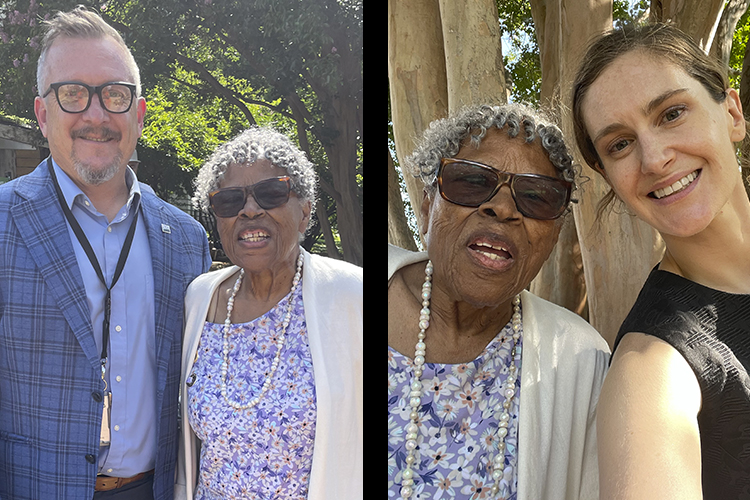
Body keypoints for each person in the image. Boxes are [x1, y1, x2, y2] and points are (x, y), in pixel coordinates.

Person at [0, 7, 211, 500]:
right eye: (73, 93)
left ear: (138, 114)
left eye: (115, 95)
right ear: (42, 112)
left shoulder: (185, 239)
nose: (96, 115)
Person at [388, 103, 611, 500]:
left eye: (537, 196)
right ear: (426, 208)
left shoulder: (582, 358)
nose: (503, 207)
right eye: (471, 182)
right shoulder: (346, 299)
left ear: (553, 238)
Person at [572, 23, 750, 499]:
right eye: (620, 144)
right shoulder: (653, 371)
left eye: (672, 113)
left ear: (732, 113)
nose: (654, 158)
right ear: (609, 177)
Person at [175, 126, 363, 500]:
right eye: (229, 201)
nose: (249, 209)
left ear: (305, 212)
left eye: (272, 193)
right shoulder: (201, 299)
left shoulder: (352, 295)